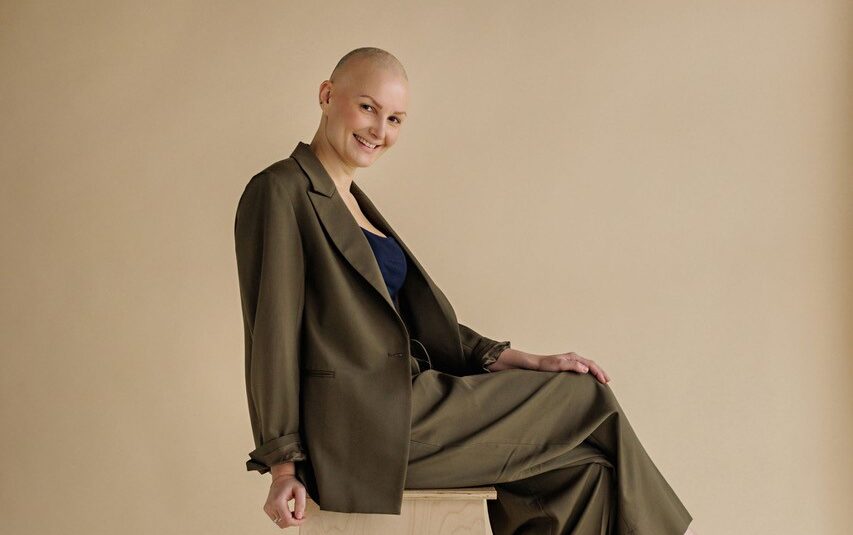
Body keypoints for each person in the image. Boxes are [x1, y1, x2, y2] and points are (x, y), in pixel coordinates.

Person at [234, 47, 697, 534]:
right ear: (327, 96)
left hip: (413, 403)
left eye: (395, 118)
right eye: (367, 107)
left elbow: (413, 324)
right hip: (368, 424)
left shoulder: (355, 204)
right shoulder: (281, 190)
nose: (379, 130)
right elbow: (271, 336)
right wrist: (283, 464)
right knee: (586, 397)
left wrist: (519, 357)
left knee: (585, 473)